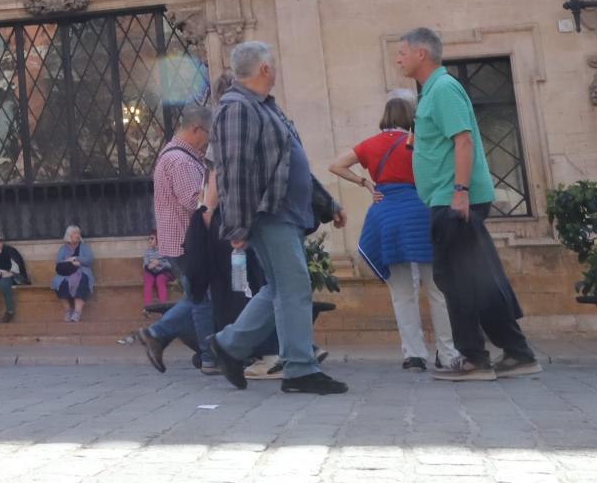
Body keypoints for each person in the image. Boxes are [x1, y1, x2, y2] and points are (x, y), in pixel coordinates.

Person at [397, 27, 540, 381]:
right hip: (446, 197)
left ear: (421, 54)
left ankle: (475, 359)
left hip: (454, 199)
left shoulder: (443, 89)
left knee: (456, 280)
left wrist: (459, 191)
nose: (398, 59)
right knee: (474, 277)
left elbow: (463, 141)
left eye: (402, 52)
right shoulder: (431, 91)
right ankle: (517, 353)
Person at [208, 41, 348, 395]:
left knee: (281, 287)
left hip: (286, 212)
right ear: (264, 68)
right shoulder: (237, 107)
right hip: (269, 214)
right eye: (274, 64)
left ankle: (229, 346)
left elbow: (289, 161)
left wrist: (327, 203)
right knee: (294, 286)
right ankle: (300, 369)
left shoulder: (265, 107)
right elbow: (234, 171)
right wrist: (237, 225)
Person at [328, 89, 457, 372]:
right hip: (421, 215)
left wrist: (365, 183)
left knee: (402, 292)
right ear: (410, 116)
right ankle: (448, 353)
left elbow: (335, 165)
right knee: (437, 290)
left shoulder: (371, 144)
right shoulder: (418, 141)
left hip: (388, 217)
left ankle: (414, 355)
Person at [134, 103, 216, 373]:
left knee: (199, 296)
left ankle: (160, 335)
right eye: (209, 135)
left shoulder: (181, 156)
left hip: (182, 241)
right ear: (196, 129)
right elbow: (195, 202)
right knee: (202, 298)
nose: (209, 141)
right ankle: (206, 356)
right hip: (187, 242)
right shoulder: (180, 160)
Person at [51, 226, 94, 322]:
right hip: (67, 272)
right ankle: (68, 310)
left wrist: (76, 259)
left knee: (83, 280)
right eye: (75, 233)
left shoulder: (84, 247)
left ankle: (77, 312)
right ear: (69, 235)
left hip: (82, 270)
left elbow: (89, 259)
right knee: (58, 282)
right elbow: (59, 261)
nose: (77, 235)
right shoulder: (63, 248)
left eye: (78, 233)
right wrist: (69, 261)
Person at [141, 235, 172, 307]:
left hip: (162, 272)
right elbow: (145, 264)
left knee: (160, 281)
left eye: (152, 238)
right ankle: (147, 307)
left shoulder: (164, 251)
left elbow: (169, 265)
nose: (150, 240)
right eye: (148, 238)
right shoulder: (147, 252)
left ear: (158, 240)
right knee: (148, 281)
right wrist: (149, 266)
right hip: (151, 272)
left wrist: (159, 262)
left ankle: (163, 306)